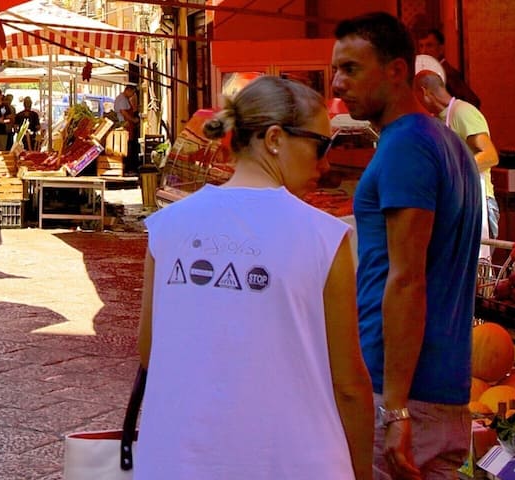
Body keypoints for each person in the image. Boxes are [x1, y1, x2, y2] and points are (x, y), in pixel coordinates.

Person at [137, 75, 375, 479]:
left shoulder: (167, 226)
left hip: (176, 460)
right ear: (275, 138)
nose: (326, 164)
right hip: (294, 462)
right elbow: (348, 384)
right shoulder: (323, 237)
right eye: (321, 146)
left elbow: (150, 350)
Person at [330, 12, 482, 480]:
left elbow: (406, 277)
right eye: (336, 70)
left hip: (402, 392)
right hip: (442, 388)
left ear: (397, 70)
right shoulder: (447, 143)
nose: (337, 84)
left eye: (351, 69)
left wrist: (394, 410)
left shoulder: (406, 147)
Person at [415, 55, 499, 250]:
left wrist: (451, 172)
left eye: (415, 96)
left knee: (476, 266)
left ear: (424, 92)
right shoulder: (438, 119)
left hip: (478, 203)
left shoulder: (463, 112)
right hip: (457, 203)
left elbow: (490, 155)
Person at [411, 26, 481, 109]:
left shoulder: (449, 74)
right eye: (421, 46)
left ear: (441, 48)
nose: (424, 51)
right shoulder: (425, 72)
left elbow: (473, 102)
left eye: (429, 45)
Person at [115, 85, 143, 173]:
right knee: (127, 145)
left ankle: (127, 167)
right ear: (128, 90)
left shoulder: (123, 98)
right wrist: (133, 120)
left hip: (127, 125)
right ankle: (127, 167)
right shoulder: (122, 99)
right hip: (125, 125)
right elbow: (124, 112)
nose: (132, 95)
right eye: (132, 93)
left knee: (128, 145)